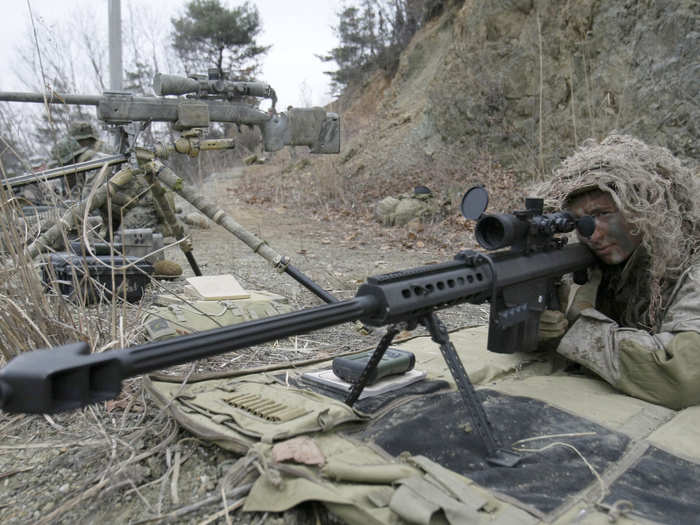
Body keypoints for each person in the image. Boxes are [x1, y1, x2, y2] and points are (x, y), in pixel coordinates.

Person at [538, 134, 700, 410]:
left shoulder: (691, 263)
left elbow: (684, 375)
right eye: (579, 222)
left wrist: (578, 332)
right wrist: (535, 326)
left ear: (648, 208)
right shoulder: (593, 263)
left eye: (603, 214)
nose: (593, 233)